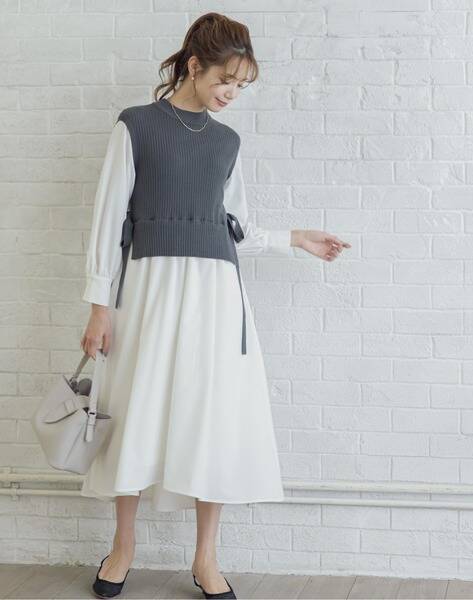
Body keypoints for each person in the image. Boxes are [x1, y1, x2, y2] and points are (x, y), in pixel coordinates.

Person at [80, 12, 351, 600]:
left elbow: (235, 226)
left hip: (217, 296)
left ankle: (206, 558)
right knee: (135, 409)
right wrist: (99, 304)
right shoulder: (136, 126)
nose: (232, 93)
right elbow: (107, 220)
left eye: (242, 85)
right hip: (149, 288)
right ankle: (122, 548)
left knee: (214, 417)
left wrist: (296, 238)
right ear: (195, 65)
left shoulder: (228, 142)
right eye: (226, 80)